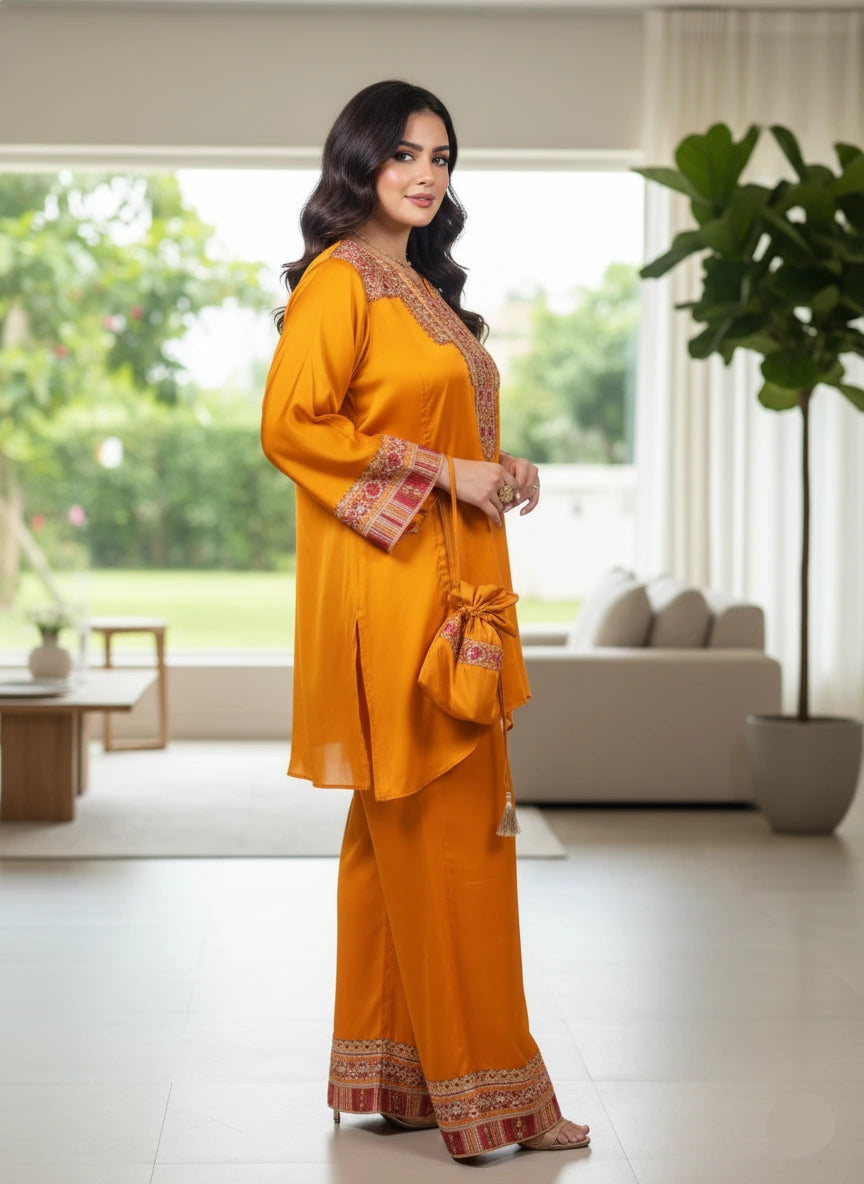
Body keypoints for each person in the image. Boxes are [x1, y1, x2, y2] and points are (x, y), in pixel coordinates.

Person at [261, 79, 590, 1160]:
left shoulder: (418, 288)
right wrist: (447, 470)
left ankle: (395, 1077)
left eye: (441, 157)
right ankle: (494, 1099)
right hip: (397, 603)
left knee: (398, 838)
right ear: (359, 161)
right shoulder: (337, 284)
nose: (424, 172)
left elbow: (432, 430)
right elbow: (293, 429)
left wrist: (496, 470)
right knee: (450, 843)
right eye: (403, 152)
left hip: (452, 591)